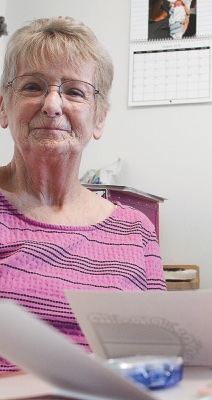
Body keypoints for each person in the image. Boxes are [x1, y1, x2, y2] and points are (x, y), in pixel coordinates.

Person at [0, 16, 166, 375]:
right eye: (32, 86)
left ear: (100, 118)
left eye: (74, 91)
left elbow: (158, 353)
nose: (52, 104)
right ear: (3, 106)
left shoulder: (136, 230)